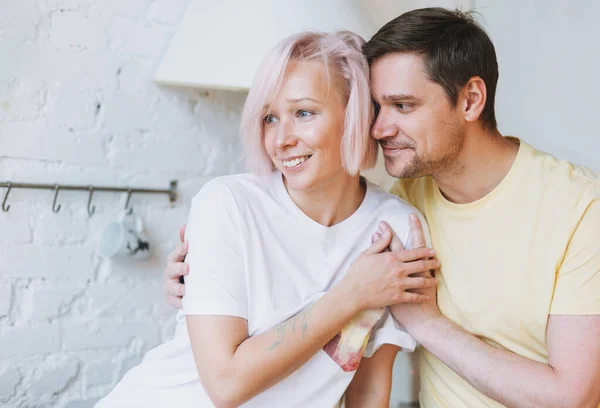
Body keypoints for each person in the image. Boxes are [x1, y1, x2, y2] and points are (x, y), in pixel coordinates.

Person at [166, 8, 600, 408]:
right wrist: (205, 277)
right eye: (374, 107)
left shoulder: (580, 208)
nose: (377, 127)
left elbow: (572, 397)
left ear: (470, 100)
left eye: (403, 106)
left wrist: (427, 323)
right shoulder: (404, 205)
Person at [97, 31, 440, 408]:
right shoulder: (226, 205)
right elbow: (226, 386)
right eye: (270, 118)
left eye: (304, 113)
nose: (280, 139)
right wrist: (352, 294)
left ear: (357, 113)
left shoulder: (398, 227)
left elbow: (369, 389)